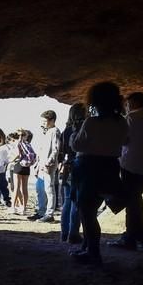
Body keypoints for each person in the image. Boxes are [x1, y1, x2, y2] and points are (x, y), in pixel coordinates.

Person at [70, 82, 128, 265]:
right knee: (92, 209)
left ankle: (93, 253)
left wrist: (73, 134)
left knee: (86, 212)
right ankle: (87, 246)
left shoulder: (91, 122)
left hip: (88, 167)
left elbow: (77, 146)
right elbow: (126, 141)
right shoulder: (122, 121)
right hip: (110, 167)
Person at [108, 92, 143, 250]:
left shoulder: (130, 119)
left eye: (127, 104)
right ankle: (138, 235)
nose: (126, 107)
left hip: (129, 165)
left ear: (133, 103)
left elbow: (123, 140)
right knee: (136, 200)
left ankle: (130, 238)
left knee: (131, 202)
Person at [59, 103, 86, 243]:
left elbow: (61, 150)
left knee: (67, 201)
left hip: (67, 166)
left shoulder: (65, 130)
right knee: (77, 201)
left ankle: (64, 233)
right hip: (79, 165)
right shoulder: (84, 127)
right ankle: (73, 233)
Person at [28, 110, 61, 222]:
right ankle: (41, 211)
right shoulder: (46, 131)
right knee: (40, 189)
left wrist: (48, 163)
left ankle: (49, 213)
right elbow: (41, 149)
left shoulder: (55, 131)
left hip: (48, 166)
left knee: (49, 189)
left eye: (44, 121)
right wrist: (38, 164)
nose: (42, 123)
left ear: (52, 120)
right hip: (41, 165)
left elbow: (55, 149)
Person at [8, 129, 36, 215]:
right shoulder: (28, 144)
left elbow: (18, 154)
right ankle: (23, 208)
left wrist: (10, 161)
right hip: (26, 167)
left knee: (16, 187)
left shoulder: (18, 144)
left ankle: (13, 207)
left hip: (19, 165)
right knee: (24, 188)